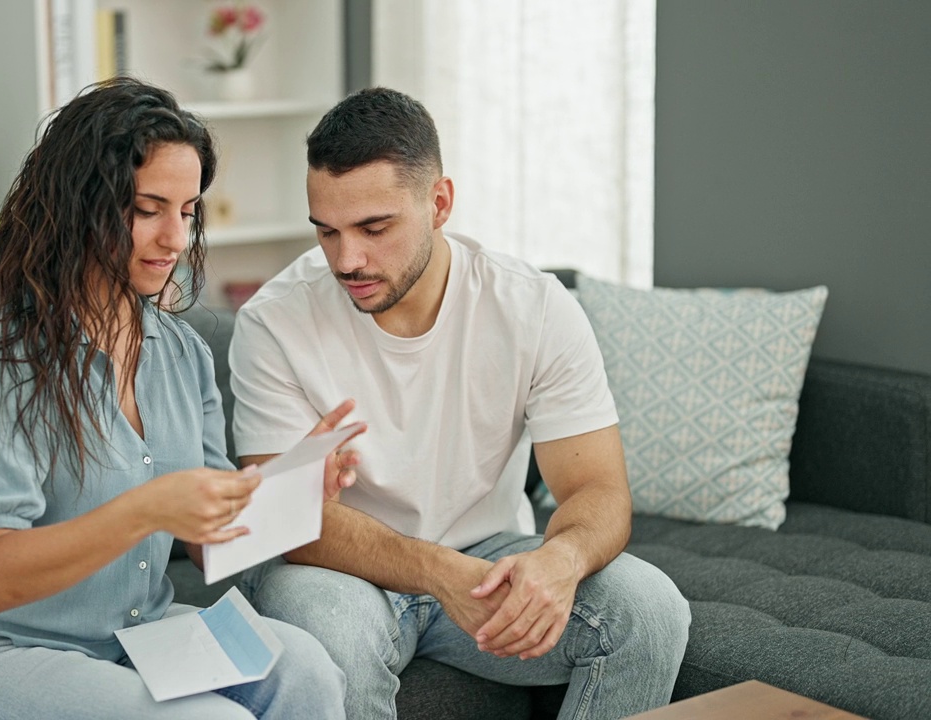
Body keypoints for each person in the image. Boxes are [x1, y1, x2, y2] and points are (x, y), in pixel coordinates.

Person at [0, 78, 355, 720]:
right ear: (83, 205)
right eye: (148, 208)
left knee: (308, 671)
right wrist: (146, 509)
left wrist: (297, 490)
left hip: (131, 637)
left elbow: (213, 540)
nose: (175, 237)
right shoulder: (0, 359)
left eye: (188, 211)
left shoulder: (181, 353)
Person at [229, 87, 690, 719]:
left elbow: (598, 489)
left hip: (487, 560)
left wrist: (562, 559)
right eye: (326, 231)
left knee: (651, 611)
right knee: (329, 630)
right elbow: (289, 525)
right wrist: (438, 571)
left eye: (374, 228)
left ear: (439, 202)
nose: (347, 259)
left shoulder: (534, 307)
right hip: (337, 573)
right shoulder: (274, 324)